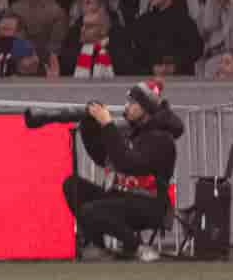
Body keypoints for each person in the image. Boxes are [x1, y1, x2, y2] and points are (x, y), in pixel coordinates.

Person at [61, 80, 185, 261]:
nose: (127, 107)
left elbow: (127, 164)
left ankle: (138, 248)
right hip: (123, 195)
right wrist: (89, 125)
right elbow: (102, 156)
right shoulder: (133, 130)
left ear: (146, 108)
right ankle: (99, 248)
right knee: (73, 185)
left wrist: (108, 125)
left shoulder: (161, 138)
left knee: (91, 210)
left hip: (150, 203)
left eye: (132, 103)